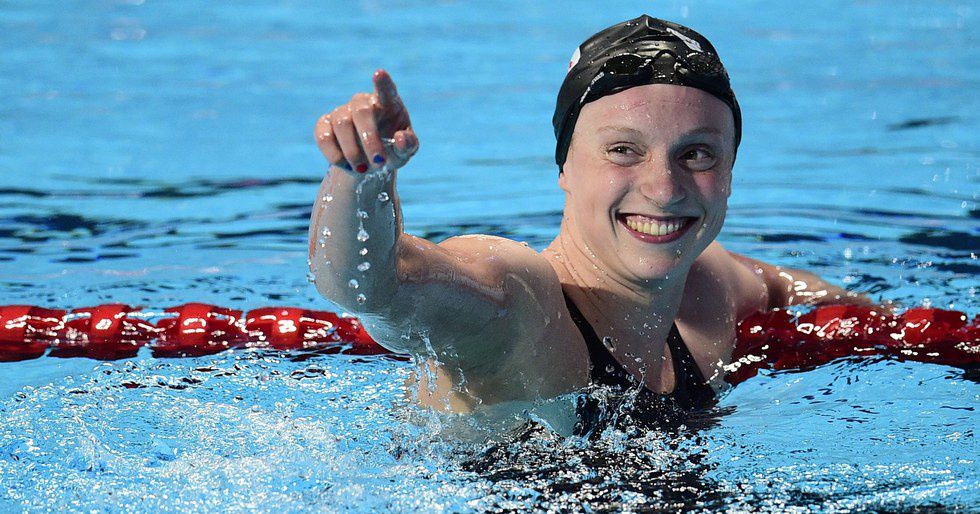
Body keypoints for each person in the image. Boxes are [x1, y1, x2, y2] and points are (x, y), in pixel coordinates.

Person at [308, 15, 868, 431]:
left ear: (730, 173)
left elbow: (782, 286)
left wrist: (881, 322)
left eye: (697, 154)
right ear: (565, 168)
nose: (664, 189)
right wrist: (361, 178)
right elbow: (370, 287)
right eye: (624, 150)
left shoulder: (707, 285)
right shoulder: (518, 308)